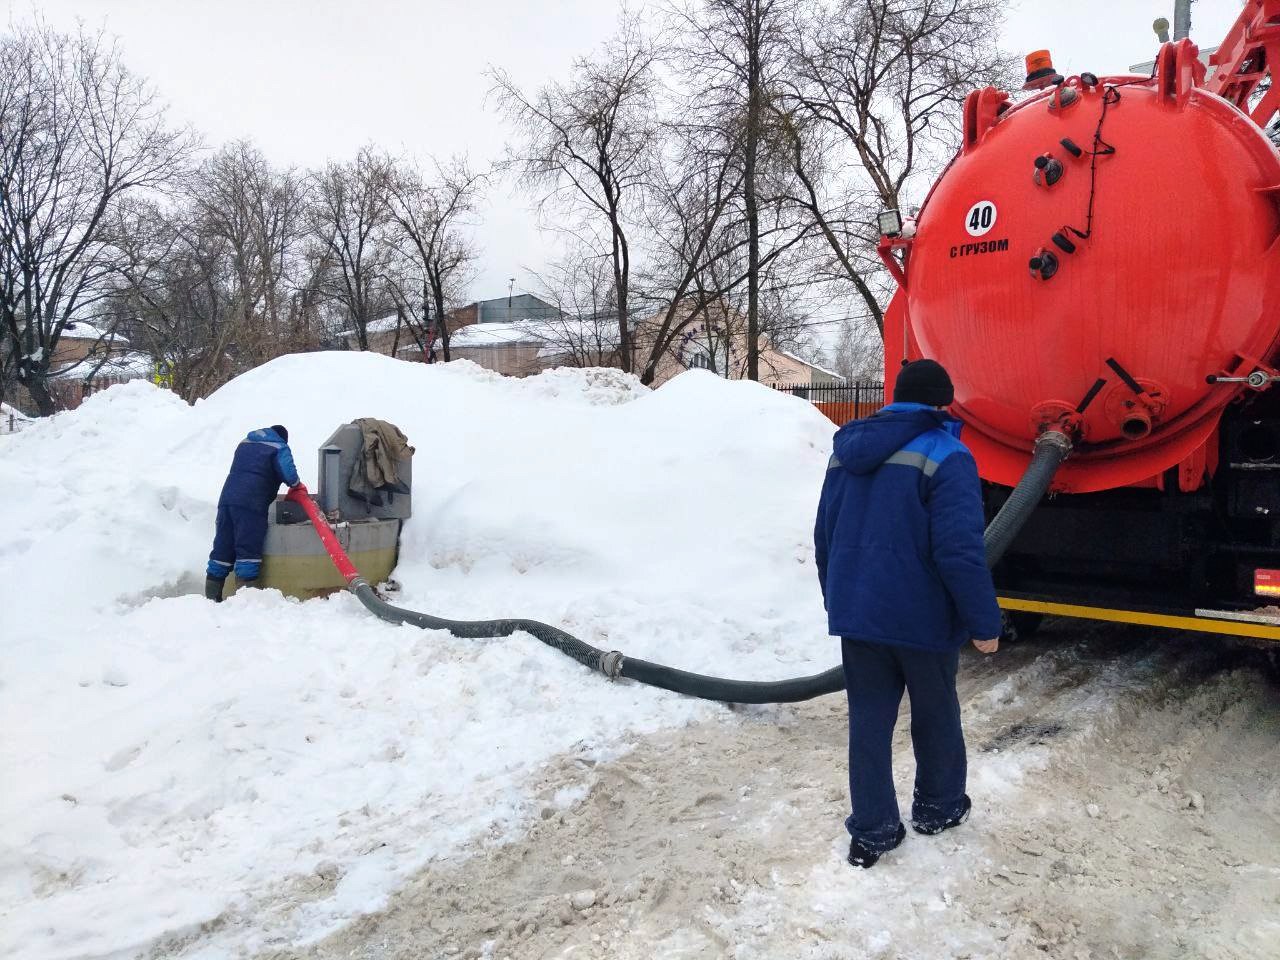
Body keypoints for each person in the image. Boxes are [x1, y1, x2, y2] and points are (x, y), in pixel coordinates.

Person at [814, 359, 1002, 869]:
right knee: (936, 714)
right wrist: (985, 624)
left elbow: (824, 537)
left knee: (868, 723)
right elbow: (960, 552)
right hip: (922, 619)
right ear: (943, 404)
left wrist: (839, 599)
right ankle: (938, 808)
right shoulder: (948, 454)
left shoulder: (844, 455)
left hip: (859, 612)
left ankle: (873, 830)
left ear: (895, 398)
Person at [205, 425, 301, 601]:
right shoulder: (279, 446)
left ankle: (211, 599)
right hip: (251, 502)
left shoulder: (245, 443)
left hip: (227, 499)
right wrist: (297, 486)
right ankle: (246, 601)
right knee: (247, 550)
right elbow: (290, 476)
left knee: (222, 547)